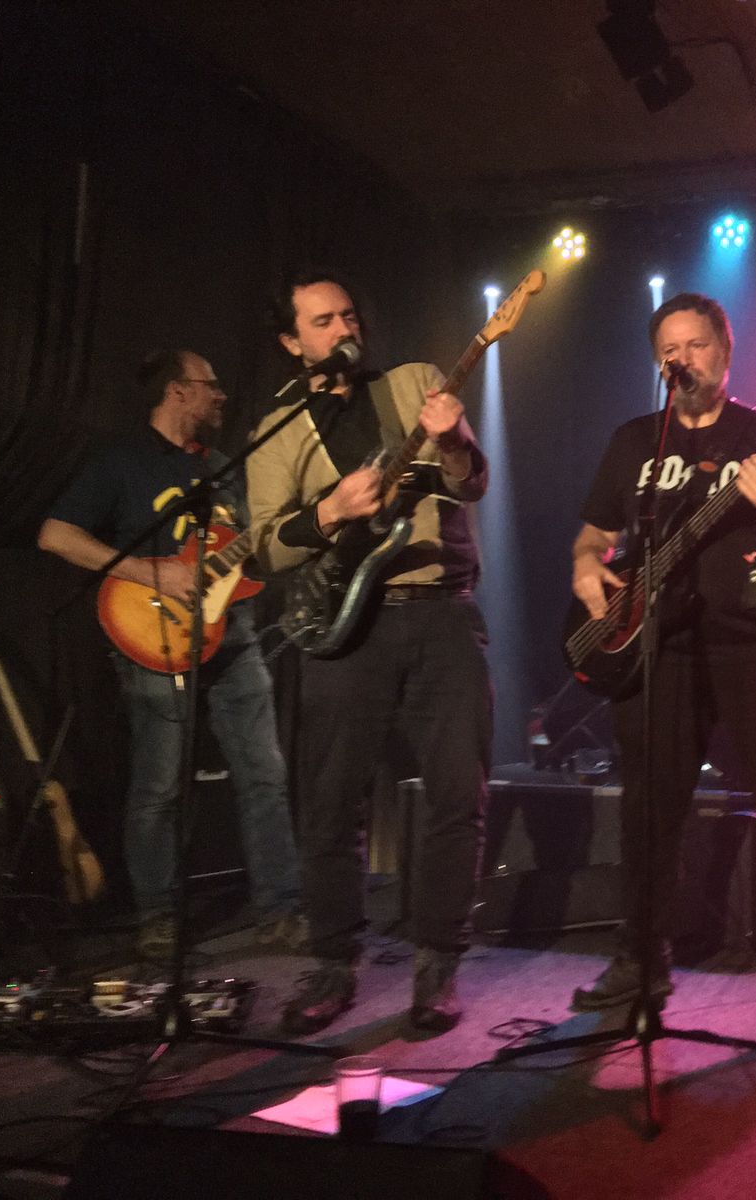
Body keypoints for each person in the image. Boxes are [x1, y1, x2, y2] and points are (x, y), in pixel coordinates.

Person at [570, 292, 756, 1035]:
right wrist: (585, 569)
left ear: (725, 353)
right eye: (669, 350)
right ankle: (641, 960)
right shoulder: (634, 441)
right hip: (659, 651)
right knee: (649, 815)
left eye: (697, 345)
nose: (683, 360)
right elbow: (593, 536)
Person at [246, 269, 492, 1037]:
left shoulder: (413, 382)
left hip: (440, 610)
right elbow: (263, 548)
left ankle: (438, 964)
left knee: (457, 793)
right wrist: (327, 512)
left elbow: (473, 483)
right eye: (322, 321)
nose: (343, 329)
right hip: (346, 623)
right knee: (329, 802)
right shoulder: (276, 430)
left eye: (349, 315)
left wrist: (453, 441)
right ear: (292, 342)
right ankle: (333, 962)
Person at [38, 349, 305, 964]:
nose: (221, 396)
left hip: (232, 635)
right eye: (211, 386)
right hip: (153, 634)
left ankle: (281, 908)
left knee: (265, 774)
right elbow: (55, 535)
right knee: (158, 786)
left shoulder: (225, 470)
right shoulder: (123, 462)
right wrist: (149, 571)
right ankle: (156, 915)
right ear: (178, 391)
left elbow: (252, 548)